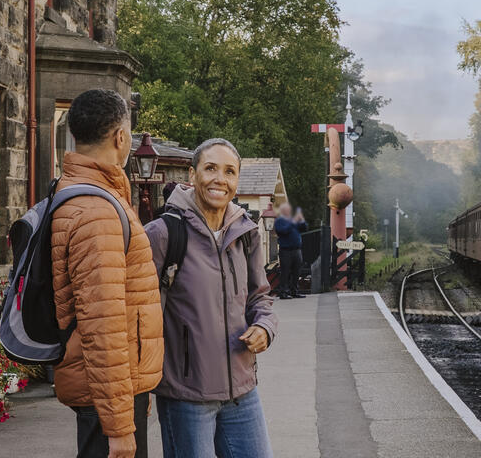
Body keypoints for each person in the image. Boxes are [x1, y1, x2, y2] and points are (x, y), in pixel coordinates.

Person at [144, 138, 278, 458]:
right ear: (192, 175)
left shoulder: (245, 232)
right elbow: (137, 313)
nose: (220, 179)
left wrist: (264, 327)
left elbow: (260, 297)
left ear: (236, 181)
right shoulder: (163, 233)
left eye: (230, 171)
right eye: (211, 169)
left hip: (242, 392)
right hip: (187, 396)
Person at [51, 89, 164, 458]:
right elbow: (103, 325)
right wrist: (118, 425)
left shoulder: (82, 194)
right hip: (108, 397)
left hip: (108, 387)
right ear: (120, 137)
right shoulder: (97, 210)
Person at [272, 204, 307, 299]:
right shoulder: (280, 221)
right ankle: (283, 292)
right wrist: (294, 221)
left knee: (296, 272)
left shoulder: (292, 221)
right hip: (286, 250)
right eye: (287, 210)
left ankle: (294, 291)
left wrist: (302, 219)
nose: (289, 211)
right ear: (283, 211)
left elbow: (304, 228)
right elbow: (283, 231)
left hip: (297, 250)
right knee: (285, 272)